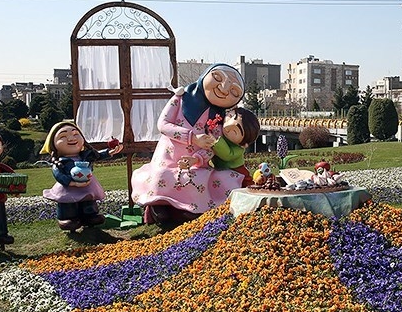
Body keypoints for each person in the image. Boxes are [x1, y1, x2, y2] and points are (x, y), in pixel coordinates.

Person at [130, 63, 248, 224]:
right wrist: (193, 137)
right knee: (162, 176)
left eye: (234, 91)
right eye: (218, 77)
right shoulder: (181, 98)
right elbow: (163, 125)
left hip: (195, 163)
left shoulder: (219, 119)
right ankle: (159, 207)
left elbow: (211, 146)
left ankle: (188, 209)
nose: (224, 87)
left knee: (199, 178)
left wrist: (197, 158)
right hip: (168, 157)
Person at [39, 121, 123, 231]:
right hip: (68, 188)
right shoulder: (60, 163)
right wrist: (72, 182)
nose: (71, 139)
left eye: (75, 134)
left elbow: (98, 155)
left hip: (86, 185)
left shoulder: (85, 155)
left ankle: (90, 217)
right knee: (68, 203)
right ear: (53, 144)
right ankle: (68, 219)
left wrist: (110, 152)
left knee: (88, 201)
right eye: (63, 136)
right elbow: (58, 174)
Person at [185, 106, 261, 187]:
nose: (227, 126)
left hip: (237, 172)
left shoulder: (238, 149)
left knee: (244, 188)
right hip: (220, 172)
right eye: (230, 116)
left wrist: (215, 140)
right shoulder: (220, 131)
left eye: (234, 131)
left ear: (244, 144)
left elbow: (227, 155)